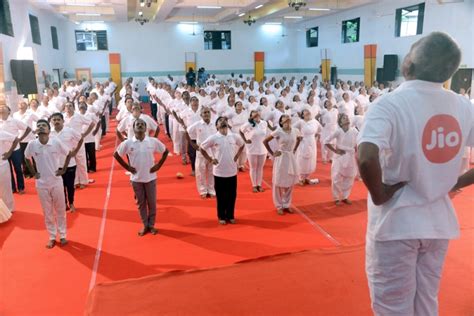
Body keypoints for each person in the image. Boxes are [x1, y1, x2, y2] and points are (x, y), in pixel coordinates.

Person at [357, 32, 474, 315]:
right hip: (438, 223)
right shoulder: (463, 106)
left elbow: (366, 156)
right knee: (426, 302)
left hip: (397, 222)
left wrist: (380, 194)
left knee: (392, 305)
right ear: (451, 71)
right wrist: (451, 183)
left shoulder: (389, 104)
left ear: (408, 64)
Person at [114, 118, 169, 236]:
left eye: (142, 124)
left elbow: (165, 151)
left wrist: (158, 165)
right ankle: (145, 225)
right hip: (136, 179)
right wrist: (127, 167)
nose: (139, 126)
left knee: (152, 203)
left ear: (146, 128)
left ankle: (152, 225)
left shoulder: (152, 141)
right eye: (137, 124)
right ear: (133, 128)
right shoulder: (128, 143)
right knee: (141, 203)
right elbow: (116, 154)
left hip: (150, 178)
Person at [25, 119, 73, 248]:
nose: (41, 127)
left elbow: (69, 153)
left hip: (56, 182)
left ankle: (62, 235)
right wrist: (33, 173)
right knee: (47, 212)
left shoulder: (56, 142)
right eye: (38, 126)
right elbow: (26, 157)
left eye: (43, 125)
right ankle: (52, 236)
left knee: (60, 210)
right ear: (36, 130)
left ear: (48, 129)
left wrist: (63, 169)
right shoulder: (32, 144)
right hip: (41, 184)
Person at [200, 116, 245, 225]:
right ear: (216, 126)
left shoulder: (234, 136)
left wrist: (237, 155)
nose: (223, 123)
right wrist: (210, 159)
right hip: (219, 172)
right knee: (221, 196)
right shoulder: (213, 138)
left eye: (225, 121)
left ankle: (230, 215)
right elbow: (202, 148)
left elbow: (242, 145)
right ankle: (221, 216)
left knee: (232, 195)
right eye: (220, 121)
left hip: (232, 171)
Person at [263, 114, 301, 215]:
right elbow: (265, 141)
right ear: (281, 122)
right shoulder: (278, 131)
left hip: (290, 157)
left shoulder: (295, 130)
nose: (287, 118)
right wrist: (272, 153)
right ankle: (278, 205)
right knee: (278, 181)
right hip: (281, 157)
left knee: (290, 181)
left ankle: (287, 204)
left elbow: (299, 138)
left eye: (288, 118)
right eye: (285, 118)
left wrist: (295, 149)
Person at [50, 112, 84, 212]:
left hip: (70, 163)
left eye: (58, 119)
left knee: (69, 186)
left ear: (63, 121)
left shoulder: (69, 131)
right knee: (59, 187)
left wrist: (75, 151)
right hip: (55, 165)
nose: (56, 121)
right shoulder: (49, 133)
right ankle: (63, 204)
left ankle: (71, 203)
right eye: (54, 120)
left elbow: (81, 139)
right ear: (51, 121)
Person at [325, 114, 358, 205]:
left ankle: (345, 196)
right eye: (344, 118)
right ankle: (336, 198)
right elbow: (326, 141)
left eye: (347, 117)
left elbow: (359, 141)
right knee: (336, 177)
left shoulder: (354, 131)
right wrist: (335, 150)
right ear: (340, 122)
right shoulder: (338, 131)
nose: (346, 118)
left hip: (350, 156)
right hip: (340, 157)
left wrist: (357, 152)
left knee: (350, 176)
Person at [0, 105, 31, 194]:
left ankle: (21, 187)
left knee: (18, 168)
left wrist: (20, 139)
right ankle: (12, 188)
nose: (1, 108)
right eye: (0, 107)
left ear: (9, 111)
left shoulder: (14, 121)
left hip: (15, 149)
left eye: (3, 107)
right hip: (3, 151)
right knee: (7, 170)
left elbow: (28, 129)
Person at [239, 110, 268, 193]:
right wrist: (245, 140)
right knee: (253, 168)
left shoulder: (264, 123)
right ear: (251, 116)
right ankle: (254, 185)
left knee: (260, 168)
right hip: (252, 148)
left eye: (258, 115)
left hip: (262, 148)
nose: (256, 116)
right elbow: (240, 131)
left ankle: (259, 184)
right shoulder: (248, 124)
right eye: (254, 115)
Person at [293, 109, 322, 185]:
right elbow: (292, 128)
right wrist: (298, 135)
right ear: (302, 115)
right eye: (305, 112)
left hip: (312, 142)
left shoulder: (315, 122)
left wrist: (316, 135)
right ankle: (300, 178)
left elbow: (320, 130)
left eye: (308, 112)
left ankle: (306, 177)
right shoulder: (300, 122)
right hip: (303, 142)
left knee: (311, 160)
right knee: (302, 159)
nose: (308, 113)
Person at [0, 131, 20, 216]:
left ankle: (9, 209)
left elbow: (15, 139)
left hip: (1, 165)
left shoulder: (1, 133)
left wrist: (9, 153)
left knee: (5, 188)